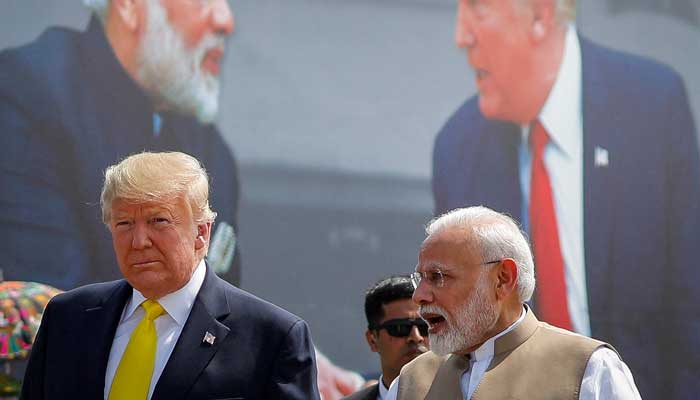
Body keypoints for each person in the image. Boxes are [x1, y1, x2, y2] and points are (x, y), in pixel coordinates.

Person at [430, 0, 700, 397]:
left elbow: (690, 303)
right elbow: (458, 336)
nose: (461, 36)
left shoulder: (651, 107)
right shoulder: (459, 149)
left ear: (539, 16)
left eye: (478, 8)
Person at [20, 151, 321, 399]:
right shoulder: (68, 318)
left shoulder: (271, 338)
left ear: (201, 233)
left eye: (158, 221)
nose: (139, 241)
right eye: (124, 224)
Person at [0, 0, 240, 290]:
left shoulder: (209, 146)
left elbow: (224, 312)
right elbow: (54, 309)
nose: (225, 20)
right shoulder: (26, 93)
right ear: (128, 6)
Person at [384, 206, 640, 400]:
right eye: (421, 279)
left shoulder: (588, 368)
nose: (420, 296)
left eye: (438, 277)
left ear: (503, 278)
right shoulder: (410, 382)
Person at [343, 276, 429, 400]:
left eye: (425, 326)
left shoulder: (463, 395)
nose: (416, 337)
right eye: (399, 328)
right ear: (372, 340)